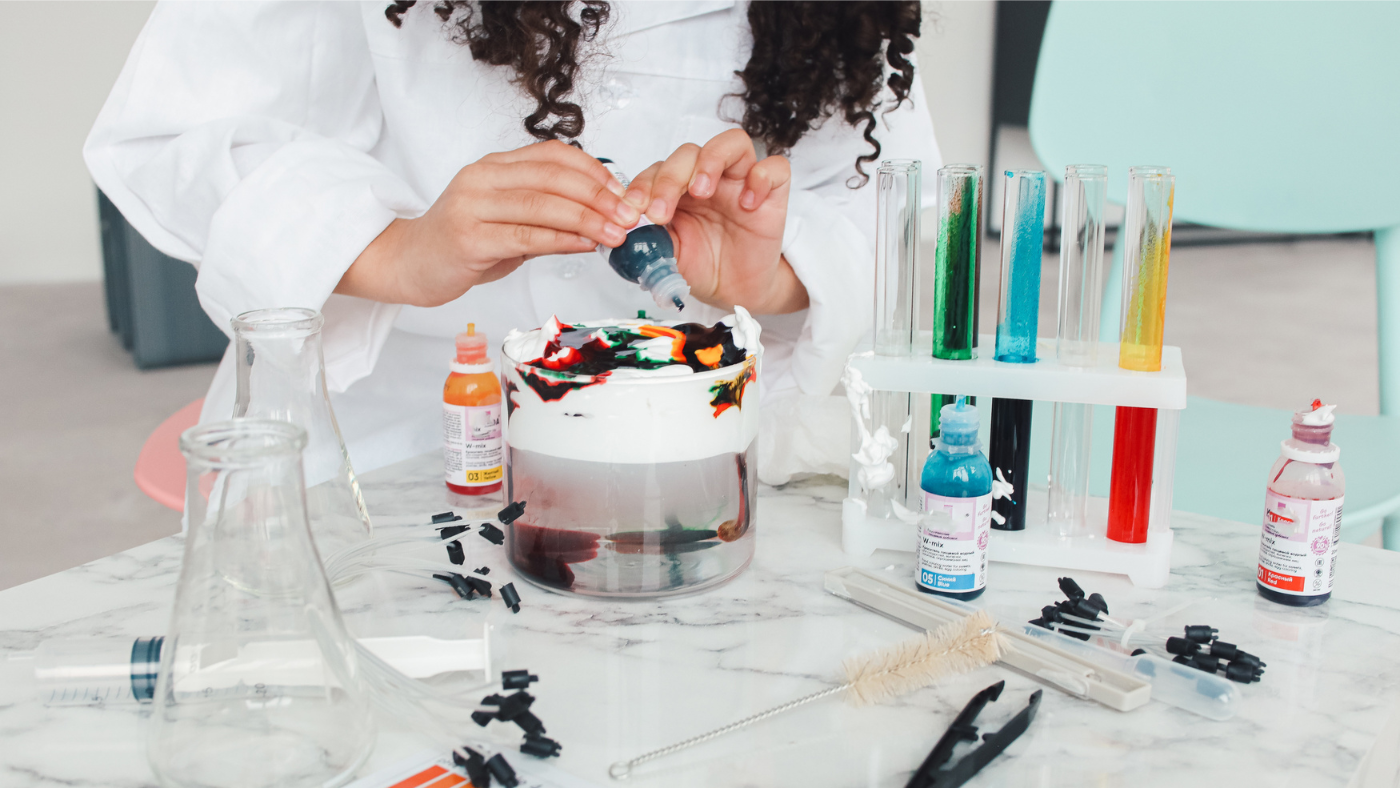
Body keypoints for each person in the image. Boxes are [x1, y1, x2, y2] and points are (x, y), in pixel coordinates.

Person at [86, 1, 941, 482]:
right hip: (392, 451)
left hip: (698, 458)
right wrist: (396, 251)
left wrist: (774, 276)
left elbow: (902, 220)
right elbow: (176, 132)